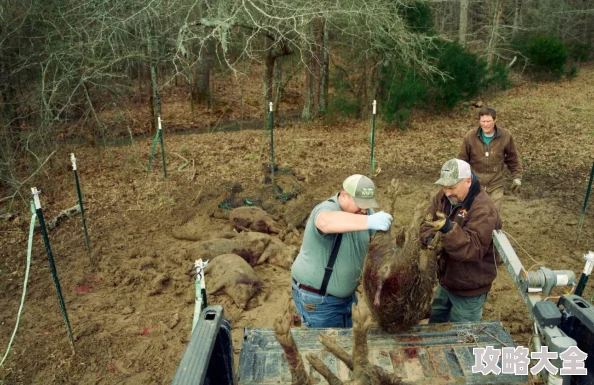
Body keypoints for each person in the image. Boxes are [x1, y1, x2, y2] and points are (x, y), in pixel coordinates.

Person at [291, 174, 393, 328]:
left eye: (367, 204)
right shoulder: (327, 209)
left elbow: (377, 245)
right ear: (344, 195)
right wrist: (369, 221)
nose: (364, 210)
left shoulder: (365, 212)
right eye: (360, 204)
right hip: (319, 302)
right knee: (326, 348)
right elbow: (325, 222)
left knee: (347, 343)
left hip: (347, 300)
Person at [420, 158, 502, 323]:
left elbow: (472, 249)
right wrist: (430, 240)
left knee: (462, 337)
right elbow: (425, 223)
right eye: (444, 187)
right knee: (436, 322)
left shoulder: (483, 209)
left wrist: (449, 230)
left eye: (452, 187)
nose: (447, 193)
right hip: (446, 280)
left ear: (468, 181)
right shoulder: (443, 197)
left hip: (470, 288)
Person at [457, 107, 523, 213]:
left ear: (495, 120)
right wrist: (459, 179)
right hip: (476, 183)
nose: (485, 124)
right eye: (483, 121)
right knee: (474, 213)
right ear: (479, 121)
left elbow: (512, 158)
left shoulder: (505, 136)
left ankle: (494, 228)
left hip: (496, 182)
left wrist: (517, 176)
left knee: (493, 213)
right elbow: (461, 160)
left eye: (488, 121)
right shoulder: (470, 136)